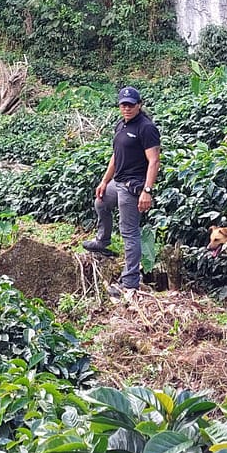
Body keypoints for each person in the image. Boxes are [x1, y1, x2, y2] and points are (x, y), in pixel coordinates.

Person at [83, 86, 161, 297]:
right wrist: (104, 181)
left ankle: (130, 282)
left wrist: (147, 190)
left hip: (133, 186)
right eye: (123, 105)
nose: (127, 108)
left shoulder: (146, 128)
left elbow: (154, 161)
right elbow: (116, 156)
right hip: (117, 183)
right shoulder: (121, 124)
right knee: (101, 202)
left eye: (131, 105)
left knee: (129, 232)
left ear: (139, 105)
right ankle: (102, 241)